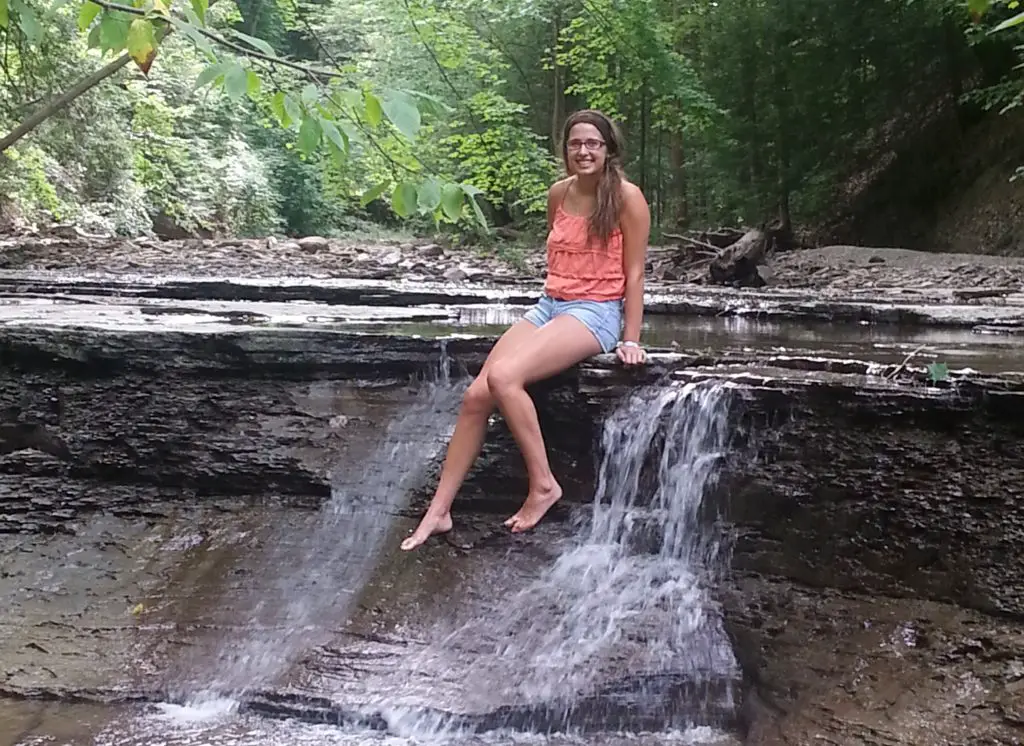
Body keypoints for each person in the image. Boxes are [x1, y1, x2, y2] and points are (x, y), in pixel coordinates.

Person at [400, 109, 650, 551]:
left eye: (593, 143)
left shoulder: (628, 198)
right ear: (566, 150)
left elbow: (633, 275)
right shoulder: (559, 194)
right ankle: (439, 511)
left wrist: (630, 339)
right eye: (575, 144)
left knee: (504, 377)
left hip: (596, 313)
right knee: (477, 395)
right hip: (550, 306)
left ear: (609, 149)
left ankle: (544, 485)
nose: (584, 151)